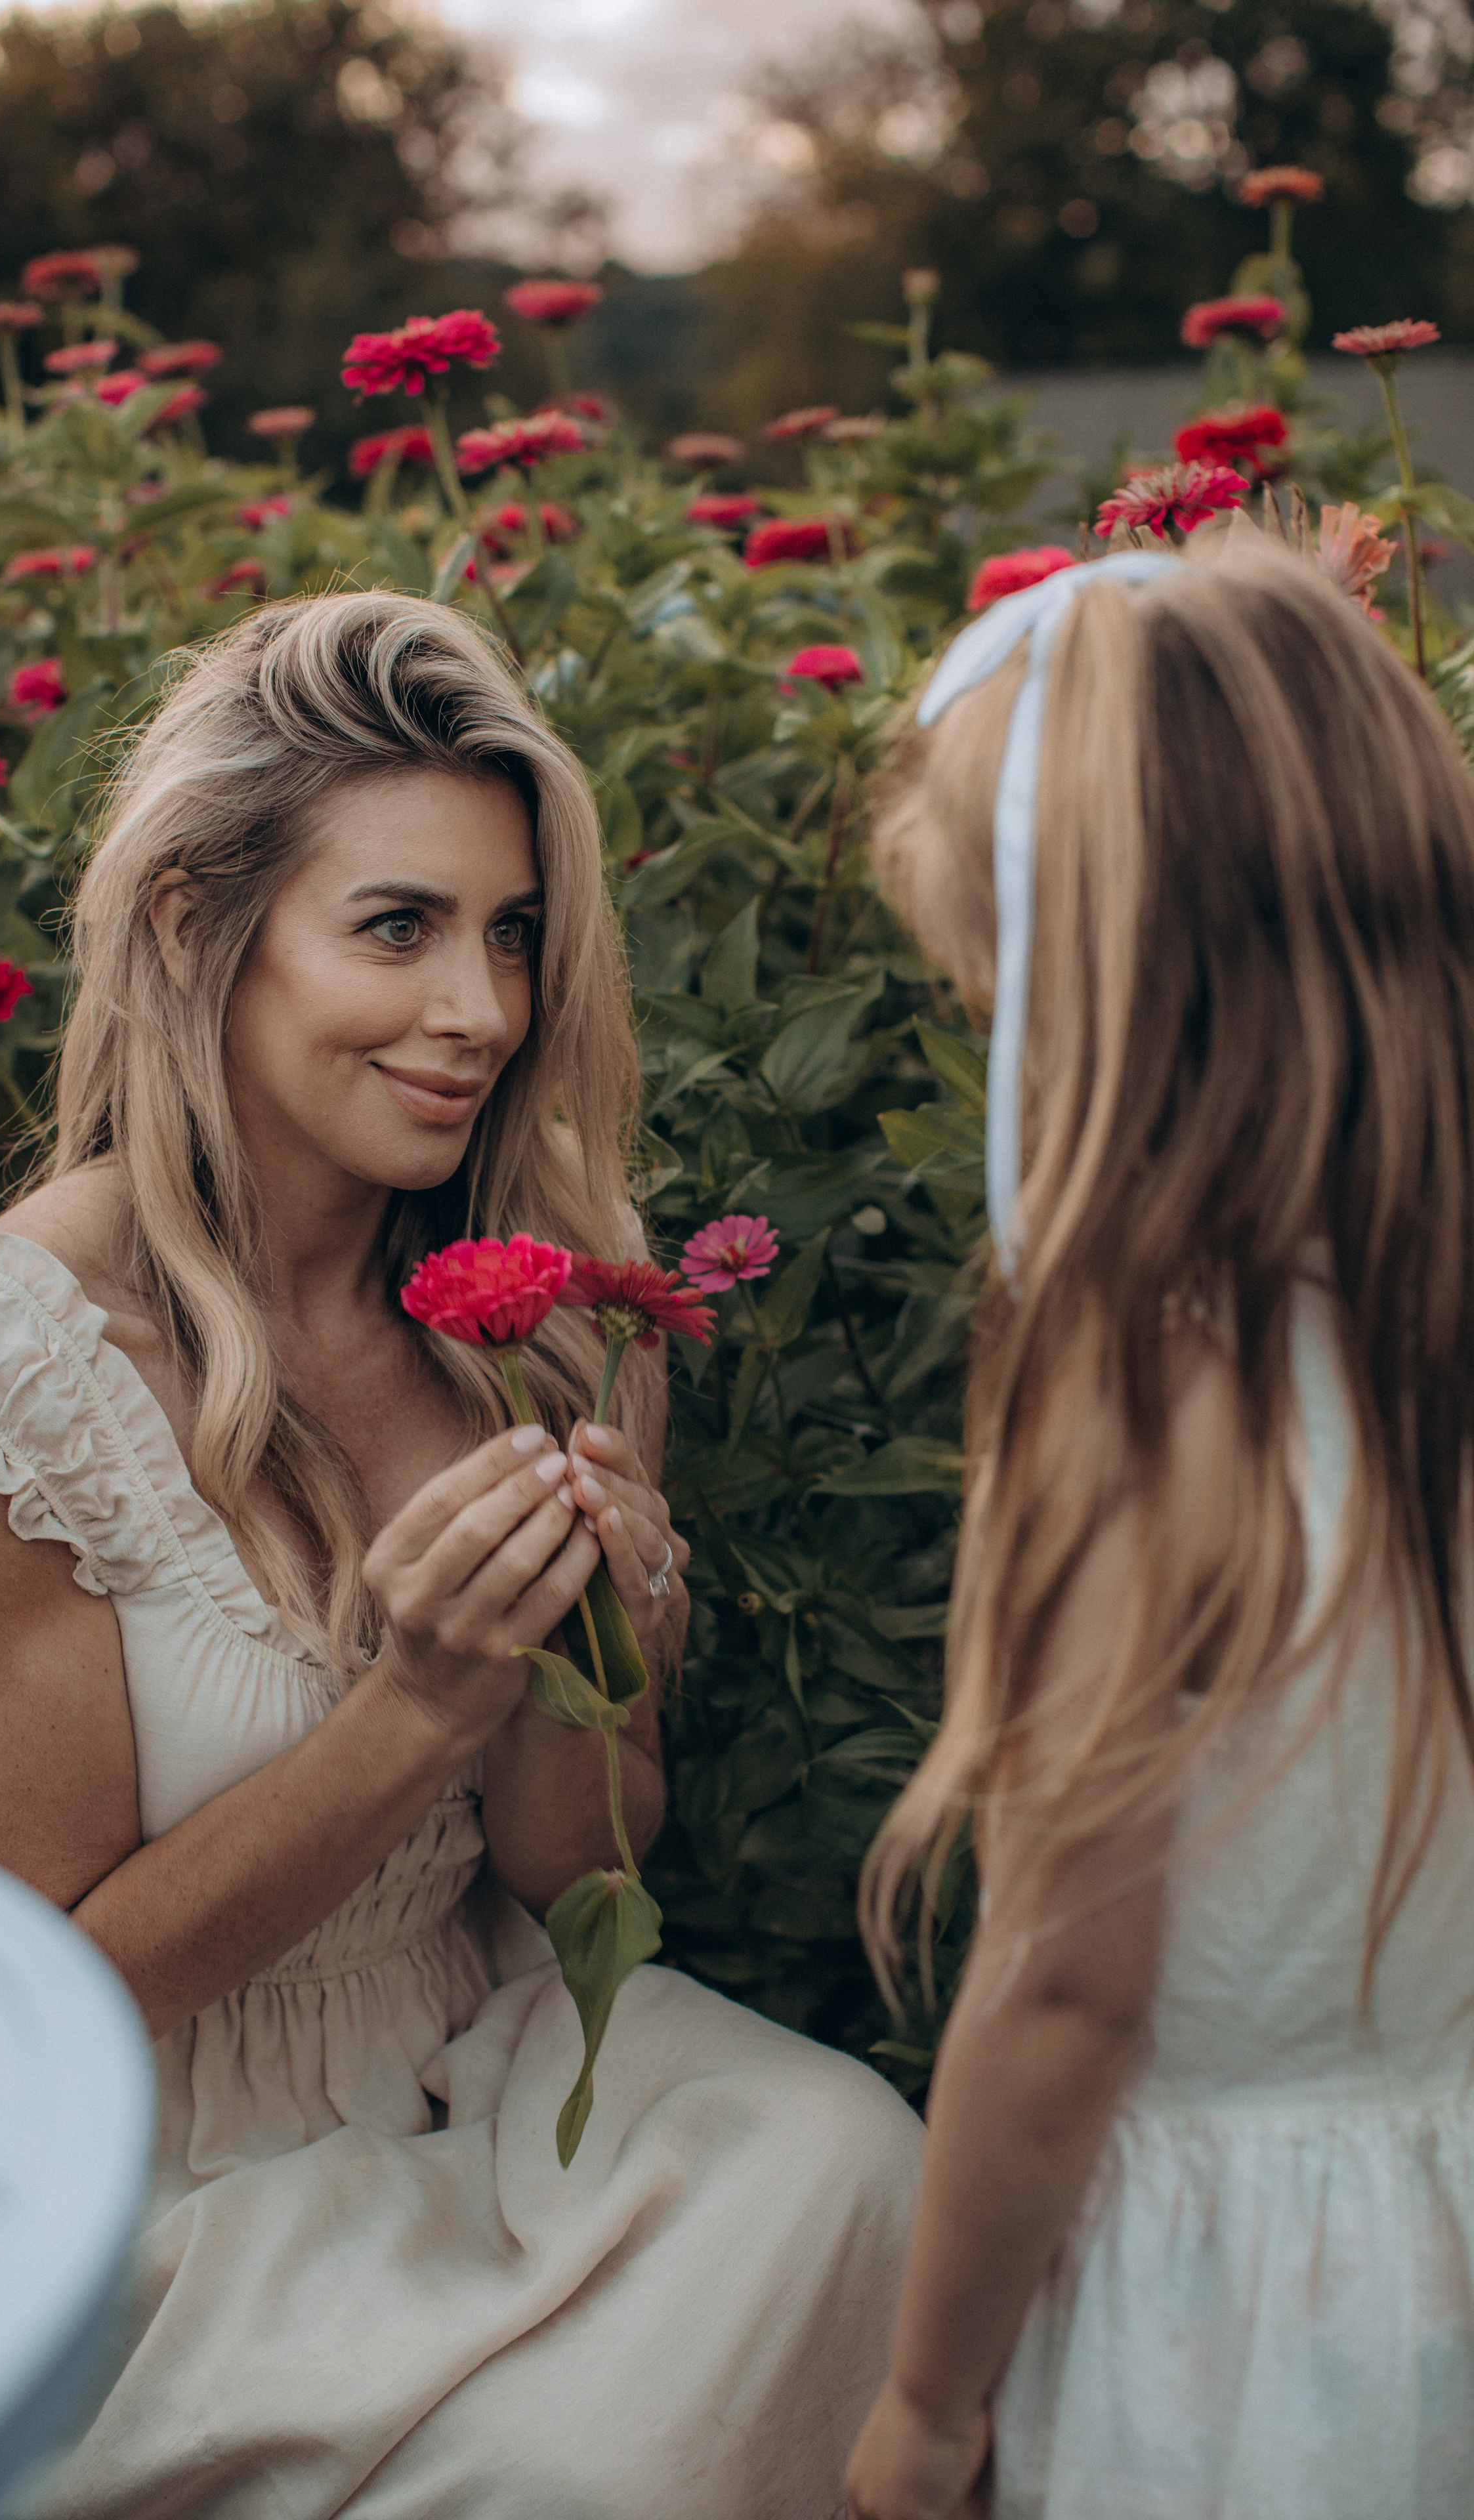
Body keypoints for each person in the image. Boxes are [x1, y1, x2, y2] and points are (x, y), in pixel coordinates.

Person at [0, 591, 919, 2520]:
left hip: (487, 2057)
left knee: (850, 2159)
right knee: (578, 2471)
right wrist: (416, 1700)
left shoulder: (540, 1318)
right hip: (183, 2186)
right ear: (198, 926)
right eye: (400, 929)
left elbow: (578, 1871)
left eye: (512, 935)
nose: (483, 1014)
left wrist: (580, 1668)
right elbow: (60, 1994)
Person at [847, 535, 1474, 2520]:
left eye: (990, 986)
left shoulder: (1142, 1409)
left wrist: (929, 2408)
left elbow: (1066, 1998)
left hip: (1254, 2321)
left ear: (1099, 996)